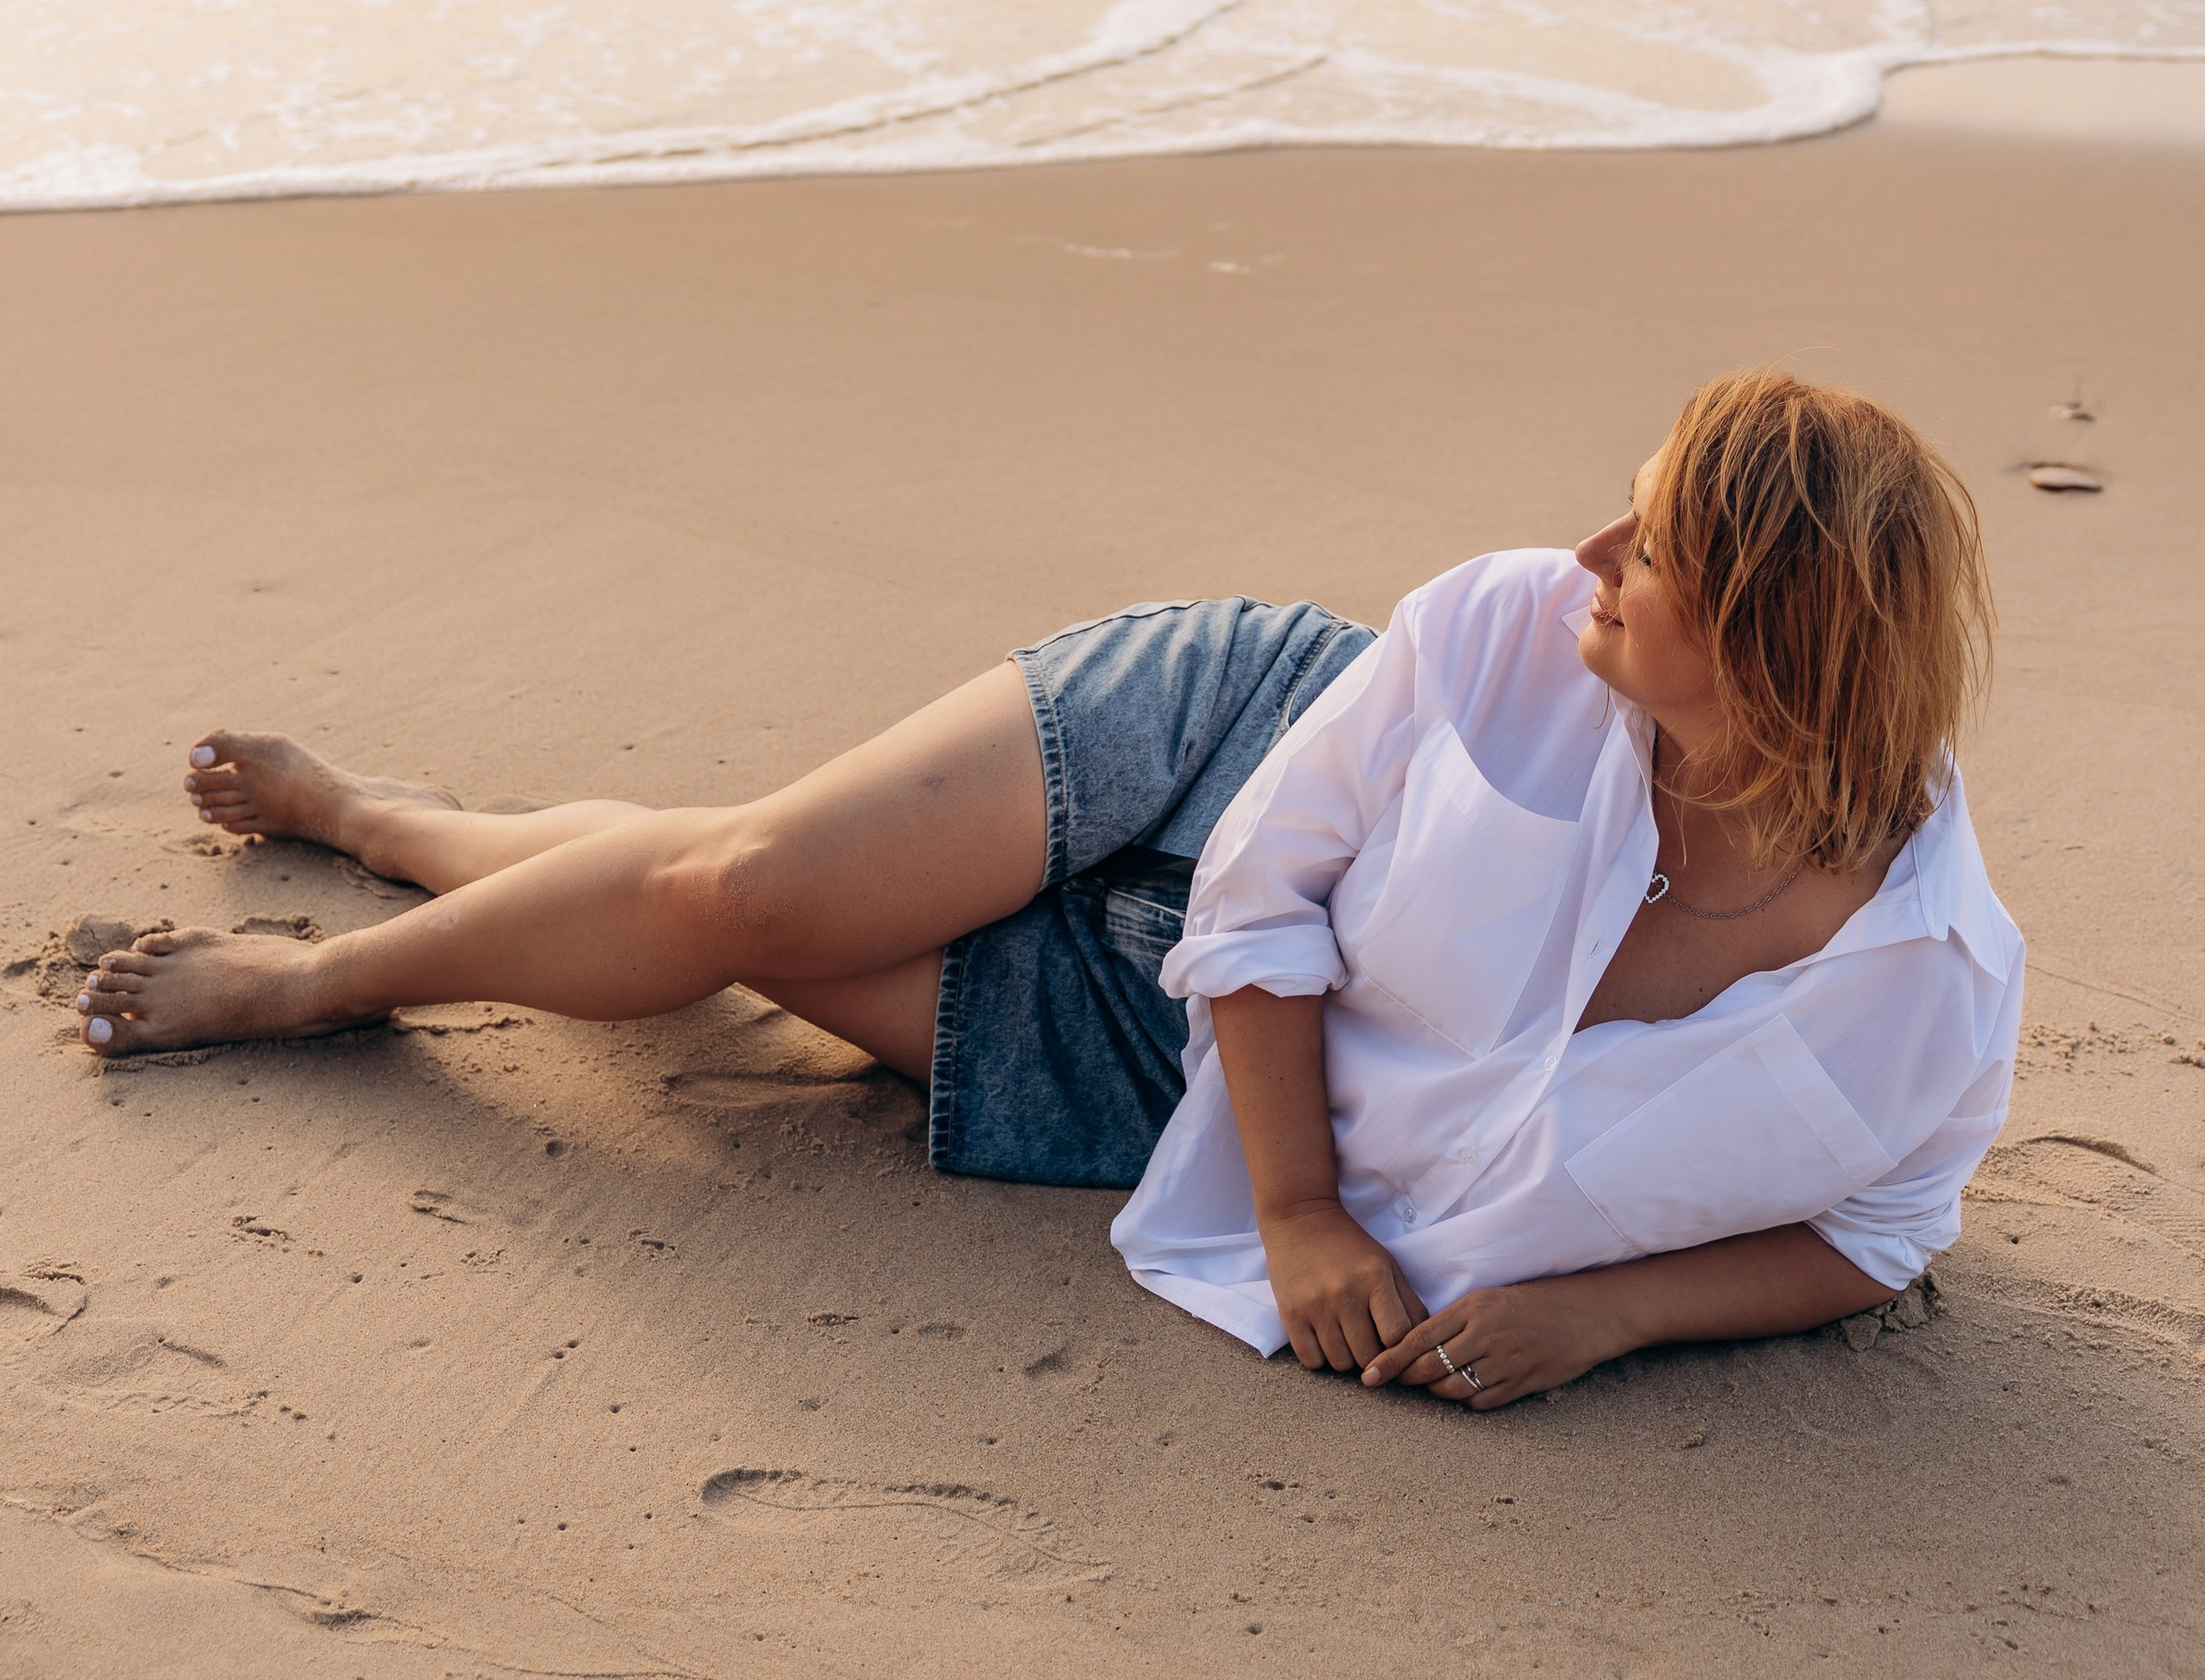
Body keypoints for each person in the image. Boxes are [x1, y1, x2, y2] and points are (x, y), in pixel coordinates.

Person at [75, 368, 2022, 1410]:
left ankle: (410, 823)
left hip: (1162, 1079)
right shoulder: (1509, 629)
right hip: (1222, 752)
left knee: (725, 924)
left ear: (1769, 643)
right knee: (744, 893)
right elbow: (1268, 889)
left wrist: (1611, 1321)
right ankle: (322, 984)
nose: (1587, 542)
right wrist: (1300, 1213)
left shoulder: (1920, 979)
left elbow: (1885, 1222)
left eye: (1654, 540)